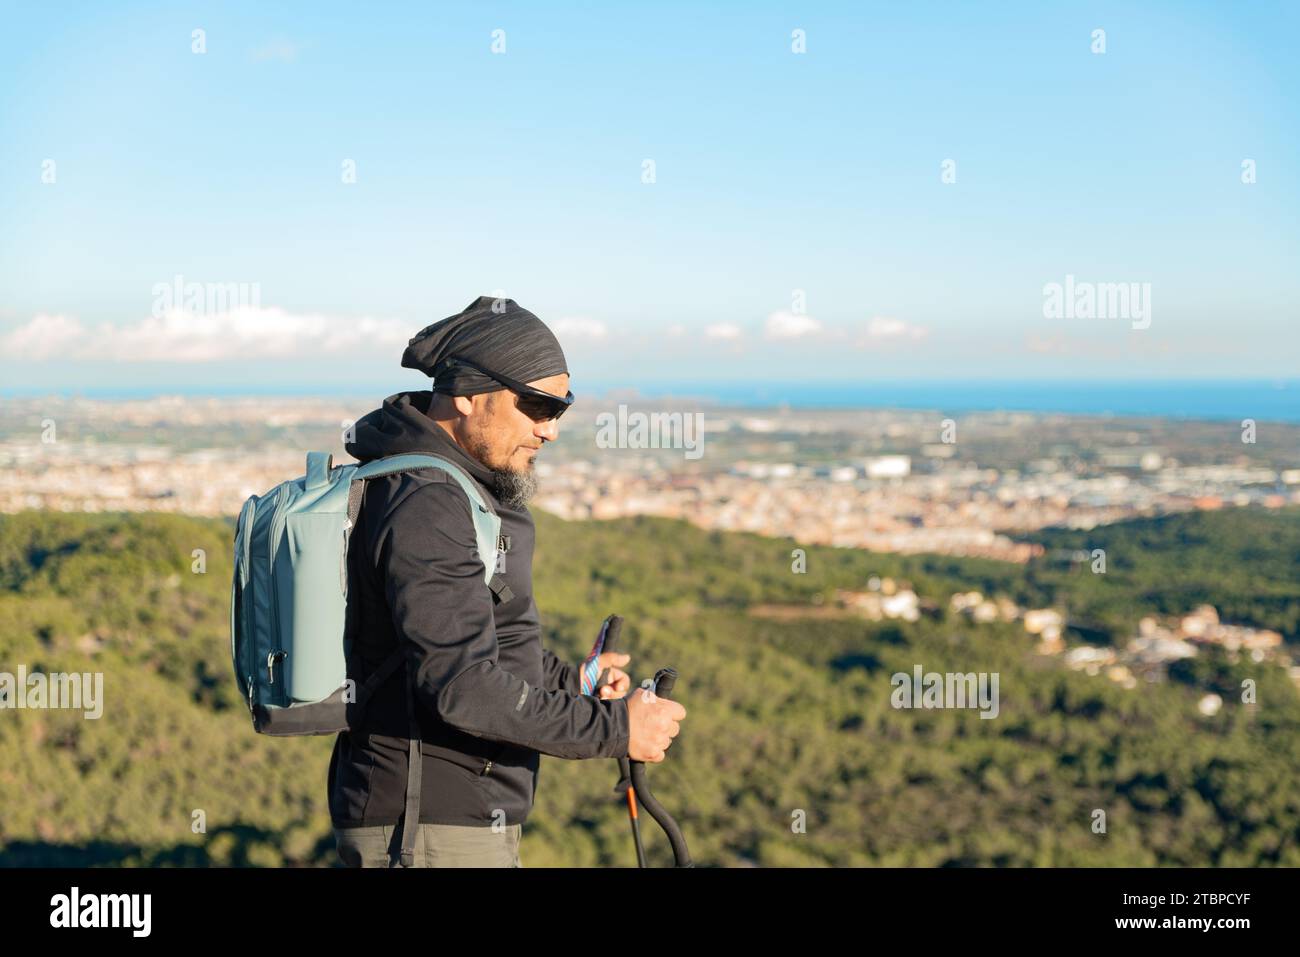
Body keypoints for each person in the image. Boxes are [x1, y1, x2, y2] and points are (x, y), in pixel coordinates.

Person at [328, 295, 687, 867]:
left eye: (560, 410)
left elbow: (482, 644)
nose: (550, 430)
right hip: (424, 829)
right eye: (537, 406)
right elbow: (462, 685)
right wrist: (614, 730)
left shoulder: (457, 491)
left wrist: (574, 683)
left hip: (447, 824)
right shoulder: (428, 502)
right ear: (470, 393)